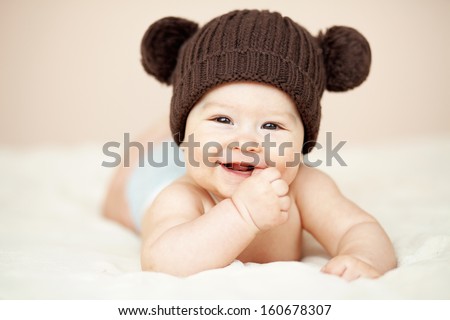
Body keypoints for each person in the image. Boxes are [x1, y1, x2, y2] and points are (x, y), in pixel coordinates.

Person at [102, 9, 396, 279]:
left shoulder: (304, 187)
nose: (246, 142)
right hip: (154, 180)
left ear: (301, 143)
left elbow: (358, 227)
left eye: (271, 126)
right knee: (125, 193)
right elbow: (161, 262)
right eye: (222, 119)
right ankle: (159, 134)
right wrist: (243, 214)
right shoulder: (182, 198)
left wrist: (362, 256)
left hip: (207, 153)